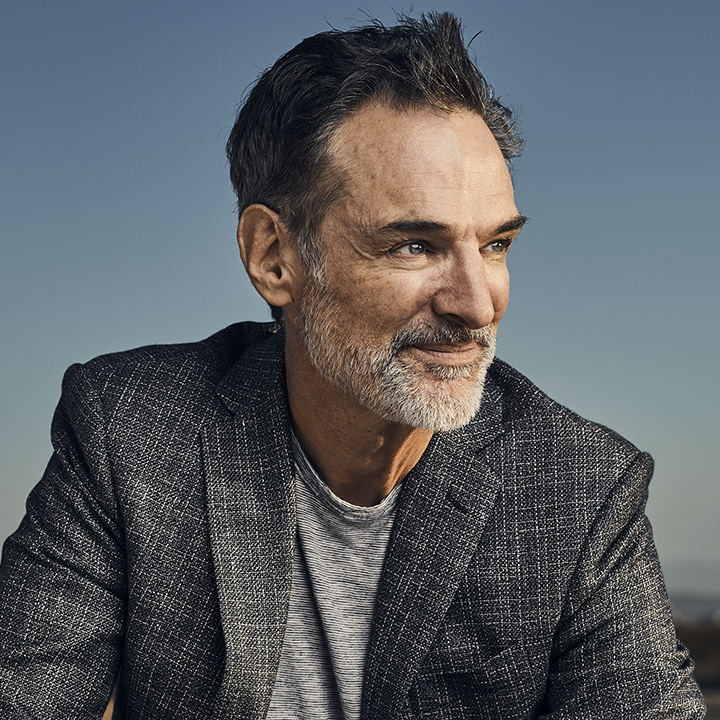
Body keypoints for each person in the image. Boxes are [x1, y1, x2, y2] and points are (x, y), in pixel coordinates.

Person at [0, 12, 706, 720]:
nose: (476, 303)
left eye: (496, 245)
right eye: (414, 246)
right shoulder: (129, 431)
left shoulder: (581, 490)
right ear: (274, 257)